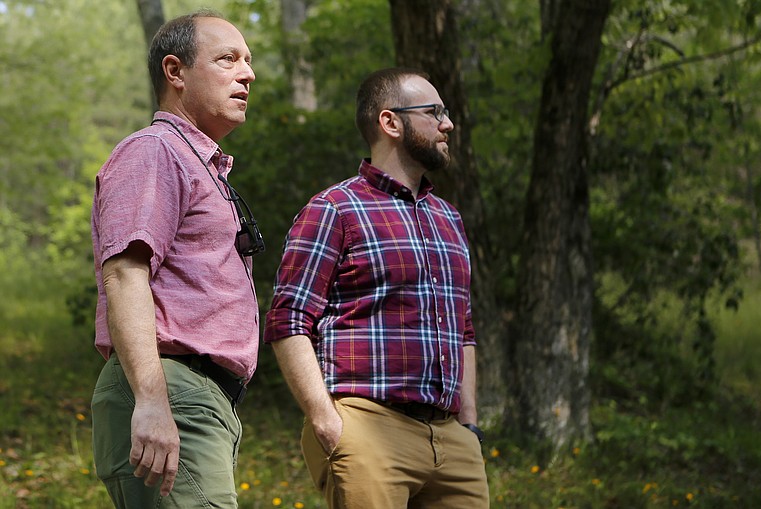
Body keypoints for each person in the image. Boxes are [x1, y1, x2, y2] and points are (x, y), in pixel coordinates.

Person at [263, 67, 490, 508]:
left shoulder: (449, 218)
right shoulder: (333, 210)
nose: (449, 124)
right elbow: (288, 320)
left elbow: (463, 329)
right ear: (391, 122)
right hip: (365, 426)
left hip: (451, 439)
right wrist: (325, 419)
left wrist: (470, 424)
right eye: (434, 112)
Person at [90, 10, 262, 508]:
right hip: (170, 386)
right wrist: (151, 399)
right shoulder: (155, 151)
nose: (247, 73)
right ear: (175, 72)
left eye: (248, 61)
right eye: (228, 59)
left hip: (196, 397)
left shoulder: (196, 162)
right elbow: (124, 274)